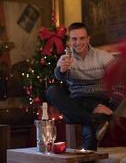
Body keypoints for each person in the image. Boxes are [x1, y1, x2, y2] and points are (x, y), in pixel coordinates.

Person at [46, 22, 120, 151]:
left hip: (97, 101)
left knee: (88, 133)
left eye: (82, 38)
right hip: (77, 102)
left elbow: (121, 81)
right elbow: (59, 76)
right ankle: (92, 120)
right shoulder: (65, 59)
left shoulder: (102, 56)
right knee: (52, 91)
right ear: (69, 41)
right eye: (74, 39)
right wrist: (62, 70)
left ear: (88, 39)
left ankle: (90, 121)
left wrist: (110, 107)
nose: (78, 42)